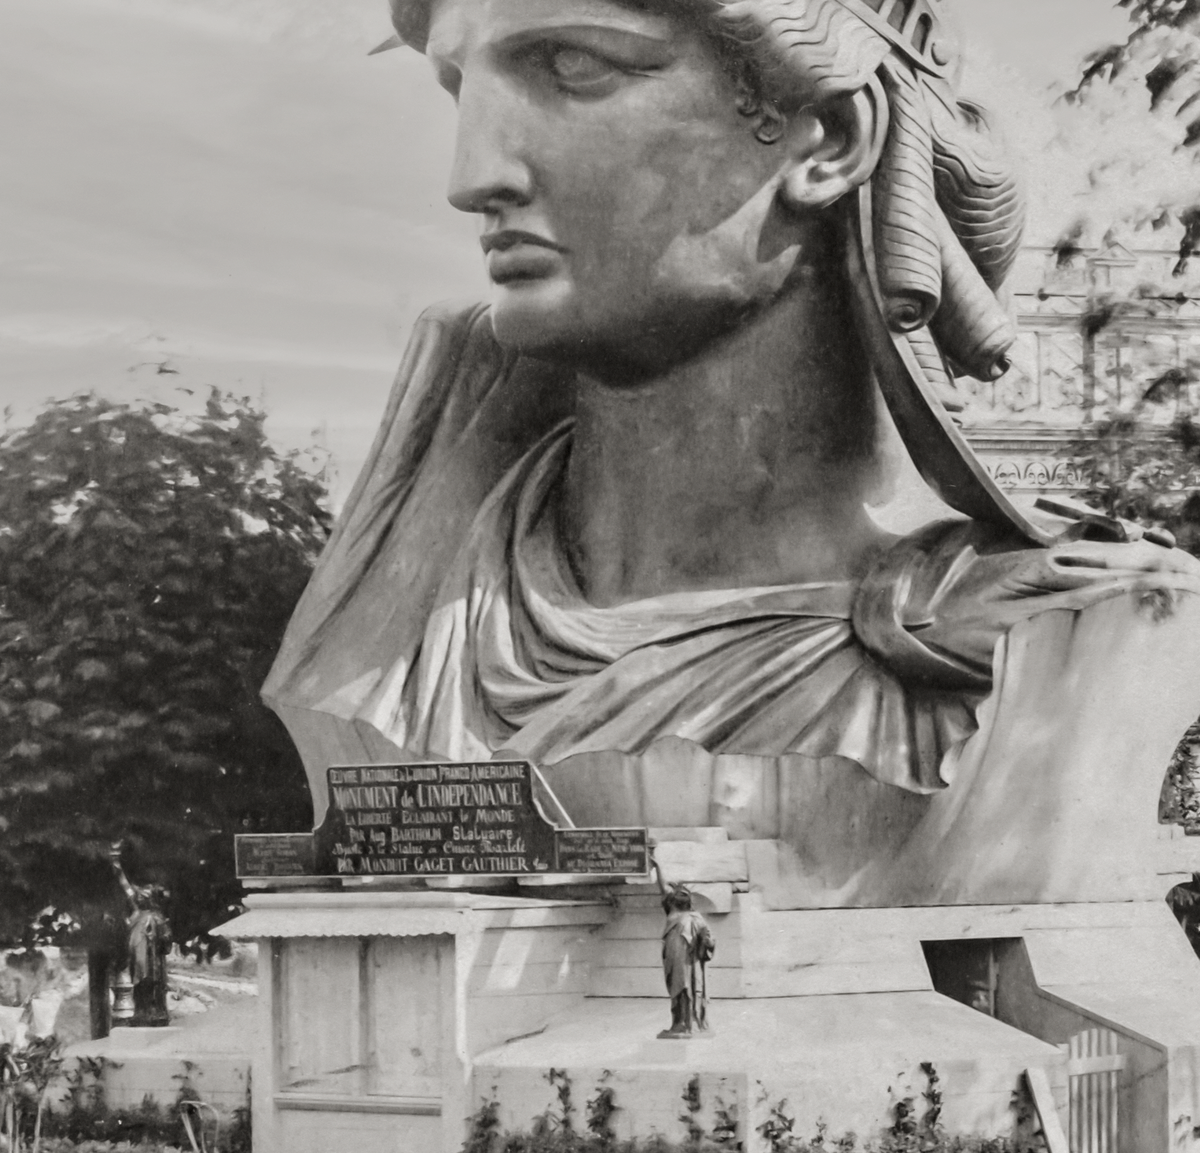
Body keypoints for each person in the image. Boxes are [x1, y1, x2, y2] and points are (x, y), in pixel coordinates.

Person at [262, 0, 1200, 887]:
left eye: (571, 65)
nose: (472, 180)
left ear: (828, 141)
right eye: (460, 88)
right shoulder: (402, 591)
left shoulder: (1064, 634)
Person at [652, 849, 715, 1038]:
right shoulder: (671, 912)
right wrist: (657, 867)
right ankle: (678, 1024)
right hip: (672, 958)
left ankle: (690, 1024)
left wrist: (708, 942)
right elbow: (663, 888)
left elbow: (708, 939)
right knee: (676, 991)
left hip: (688, 961)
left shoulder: (695, 918)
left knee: (687, 988)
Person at [110, 846, 172, 1028]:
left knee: (153, 985)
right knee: (141, 983)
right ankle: (143, 1012)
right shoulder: (138, 917)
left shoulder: (155, 917)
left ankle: (154, 1012)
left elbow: (166, 940)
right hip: (141, 962)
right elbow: (126, 887)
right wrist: (117, 866)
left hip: (153, 964)